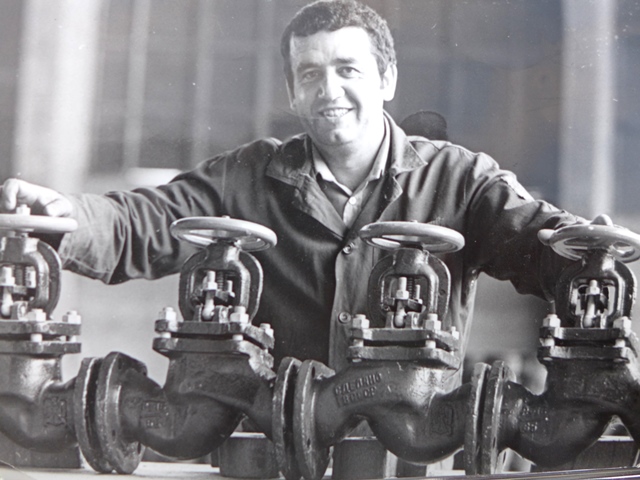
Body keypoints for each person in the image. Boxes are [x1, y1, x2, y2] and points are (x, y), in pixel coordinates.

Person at [0, 0, 579, 372]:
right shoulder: (246, 177)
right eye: (310, 74)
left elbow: (543, 239)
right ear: (292, 92)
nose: (329, 91)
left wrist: (592, 254)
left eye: (347, 70)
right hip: (278, 446)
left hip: (412, 455)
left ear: (387, 79)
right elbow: (141, 221)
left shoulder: (461, 181)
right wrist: (65, 216)